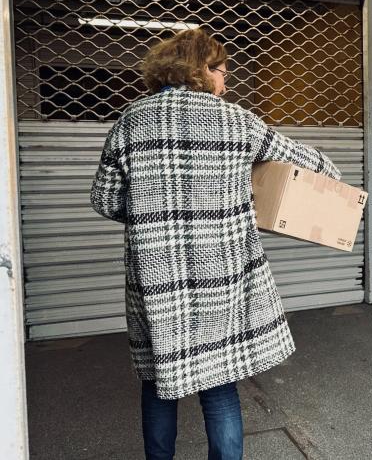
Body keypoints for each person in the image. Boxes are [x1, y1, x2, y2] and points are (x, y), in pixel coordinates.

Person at [90, 28, 341, 460]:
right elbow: (316, 167)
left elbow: (105, 200)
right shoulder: (238, 121)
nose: (226, 80)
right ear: (203, 70)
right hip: (222, 277)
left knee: (157, 384)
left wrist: (154, 218)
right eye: (223, 70)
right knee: (220, 387)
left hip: (156, 279)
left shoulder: (131, 119)